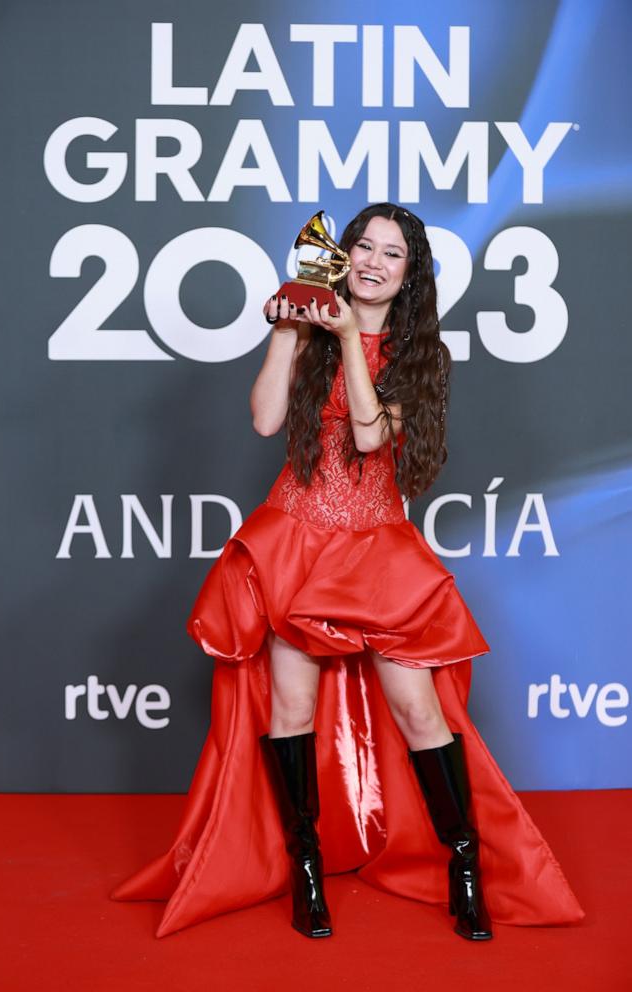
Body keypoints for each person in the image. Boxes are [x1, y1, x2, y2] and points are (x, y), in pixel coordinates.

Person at [111, 204, 585, 942]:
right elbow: (267, 420)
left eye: (390, 254)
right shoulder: (312, 327)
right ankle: (305, 868)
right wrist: (290, 332)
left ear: (407, 273)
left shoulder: (422, 355)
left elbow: (368, 434)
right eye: (362, 245)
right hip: (297, 539)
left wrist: (348, 342)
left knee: (419, 713)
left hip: (375, 548)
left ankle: (464, 867)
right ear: (344, 256)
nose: (370, 260)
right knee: (290, 710)